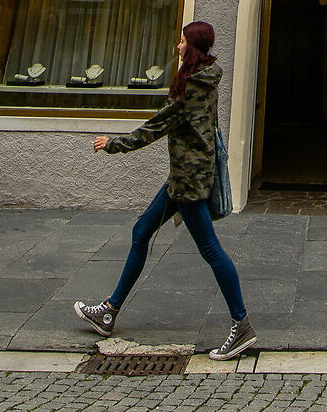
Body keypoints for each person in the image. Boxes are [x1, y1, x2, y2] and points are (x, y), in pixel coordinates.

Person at [71, 22, 255, 361]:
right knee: (141, 231)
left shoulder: (190, 87)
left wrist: (112, 144)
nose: (178, 45)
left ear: (193, 47)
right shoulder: (207, 76)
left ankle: (241, 324)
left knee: (212, 251)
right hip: (185, 176)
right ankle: (109, 311)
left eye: (183, 41)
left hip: (187, 182)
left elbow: (155, 127)